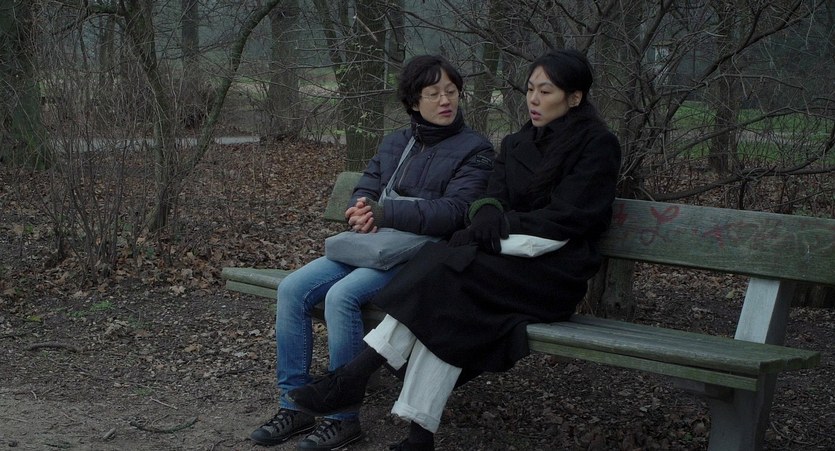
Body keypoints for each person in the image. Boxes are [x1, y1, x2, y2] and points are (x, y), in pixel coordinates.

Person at [286, 49, 622, 451]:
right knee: (448, 301)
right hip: (504, 261)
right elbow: (491, 197)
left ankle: (353, 378)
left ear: (575, 97)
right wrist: (487, 213)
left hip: (554, 271)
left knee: (445, 277)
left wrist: (500, 224)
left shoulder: (597, 145)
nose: (533, 100)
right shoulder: (516, 143)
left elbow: (570, 216)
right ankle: (416, 435)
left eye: (545, 91)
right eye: (530, 89)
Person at [249, 55, 494, 450]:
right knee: (292, 289)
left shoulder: (475, 149)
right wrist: (361, 208)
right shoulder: (396, 141)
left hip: (421, 254)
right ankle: (294, 406)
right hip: (374, 243)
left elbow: (455, 212)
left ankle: (341, 417)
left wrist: (385, 212)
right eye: (434, 94)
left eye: (451, 92)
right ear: (414, 101)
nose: (446, 100)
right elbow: (367, 184)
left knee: (342, 296)